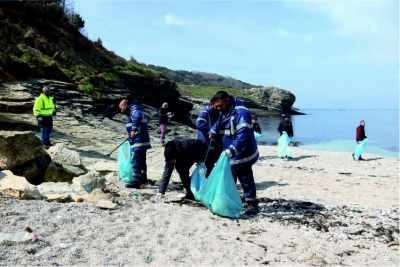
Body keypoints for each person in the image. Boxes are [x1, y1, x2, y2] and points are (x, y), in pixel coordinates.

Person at [209, 91, 260, 216]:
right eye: (217, 106)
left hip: (242, 153)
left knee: (245, 178)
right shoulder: (225, 111)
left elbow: (243, 136)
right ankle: (231, 200)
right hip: (230, 151)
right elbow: (220, 122)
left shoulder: (242, 113)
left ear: (227, 100)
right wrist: (213, 131)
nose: (219, 109)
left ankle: (252, 204)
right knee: (230, 178)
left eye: (220, 105)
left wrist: (231, 150)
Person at [119, 99, 151, 189]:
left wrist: (134, 129)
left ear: (125, 105)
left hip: (139, 141)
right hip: (141, 140)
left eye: (121, 108)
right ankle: (143, 179)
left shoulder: (135, 110)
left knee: (136, 160)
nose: (121, 110)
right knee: (141, 160)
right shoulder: (133, 111)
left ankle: (136, 181)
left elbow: (137, 117)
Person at [196, 98, 220, 177]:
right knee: (206, 162)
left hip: (213, 142)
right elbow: (199, 124)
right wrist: (211, 130)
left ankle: (208, 179)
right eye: (216, 106)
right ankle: (204, 180)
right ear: (211, 104)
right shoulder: (205, 113)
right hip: (204, 141)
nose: (218, 108)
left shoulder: (217, 113)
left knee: (212, 161)